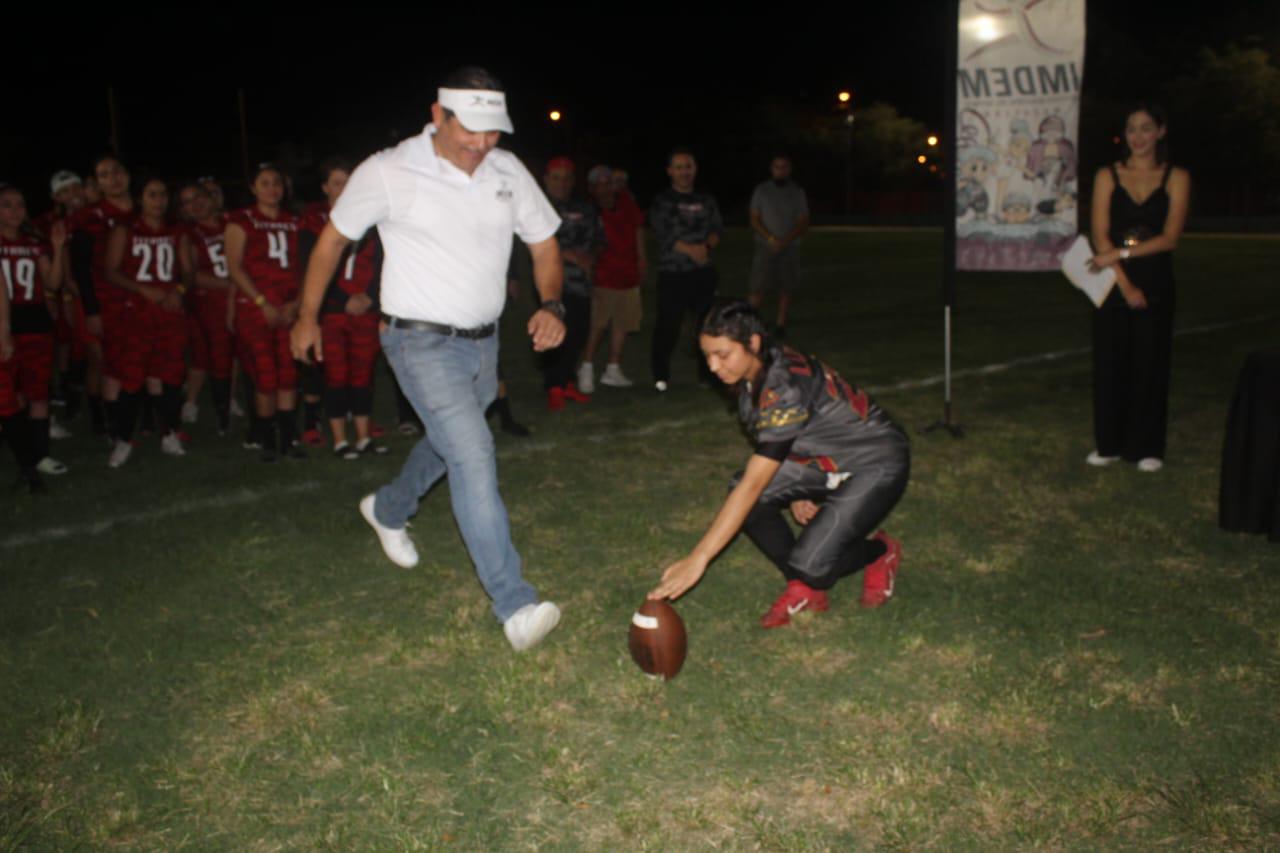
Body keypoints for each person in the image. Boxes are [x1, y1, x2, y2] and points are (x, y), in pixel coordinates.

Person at [291, 66, 567, 652]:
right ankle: (514, 605)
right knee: (472, 450)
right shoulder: (390, 170)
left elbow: (543, 244)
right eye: (471, 132)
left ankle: (389, 508)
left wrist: (552, 304)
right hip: (417, 341)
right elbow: (333, 241)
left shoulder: (506, 171)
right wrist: (307, 317)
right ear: (438, 116)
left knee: (450, 442)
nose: (482, 145)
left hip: (484, 341)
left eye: (493, 133)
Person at [649, 301, 909, 628]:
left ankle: (880, 551)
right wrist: (801, 488)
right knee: (752, 504)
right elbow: (800, 430)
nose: (713, 366)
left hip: (875, 461)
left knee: (812, 562)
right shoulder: (764, 364)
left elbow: (755, 482)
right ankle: (806, 588)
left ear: (753, 343)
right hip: (828, 457)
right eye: (707, 355)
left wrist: (699, 557)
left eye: (723, 354)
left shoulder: (782, 387)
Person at [1087, 104, 1190, 473]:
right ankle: (1109, 444)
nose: (1138, 136)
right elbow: (1099, 235)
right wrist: (1125, 282)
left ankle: (1148, 446)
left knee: (1151, 362)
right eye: (1132, 129)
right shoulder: (1107, 175)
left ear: (1161, 131)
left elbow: (1169, 238)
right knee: (1111, 362)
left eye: (1146, 128)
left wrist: (1122, 252)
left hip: (1156, 279)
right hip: (1113, 279)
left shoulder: (1175, 177)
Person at [298, 159, 387, 458]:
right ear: (325, 187)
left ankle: (363, 436)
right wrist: (340, 299)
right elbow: (311, 266)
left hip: (365, 309)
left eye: (348, 182)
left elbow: (382, 263)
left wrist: (370, 298)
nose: (343, 189)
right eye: (336, 183)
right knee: (336, 374)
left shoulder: (372, 221)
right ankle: (339, 439)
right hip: (333, 312)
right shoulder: (312, 222)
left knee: (363, 373)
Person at [102, 177, 189, 465]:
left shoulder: (177, 230)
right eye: (152, 194)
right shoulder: (126, 229)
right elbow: (111, 271)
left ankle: (169, 433)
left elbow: (188, 271)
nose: (159, 200)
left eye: (163, 194)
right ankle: (124, 439)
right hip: (137, 313)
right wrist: (142, 289)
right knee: (132, 378)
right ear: (141, 198)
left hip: (169, 312)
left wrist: (179, 290)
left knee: (170, 377)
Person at [225, 163, 304, 462]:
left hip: (287, 308)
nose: (272, 189)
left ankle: (287, 439)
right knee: (265, 376)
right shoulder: (241, 221)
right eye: (265, 183)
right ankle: (267, 439)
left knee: (287, 373)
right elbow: (234, 267)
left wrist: (295, 304)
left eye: (277, 183)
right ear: (253, 188)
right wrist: (262, 303)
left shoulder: (293, 222)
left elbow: (302, 266)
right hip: (256, 309)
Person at [0, 185, 68, 476]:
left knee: (37, 392)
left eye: (20, 204)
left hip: (35, 322)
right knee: (9, 395)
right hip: (5, 323)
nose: (15, 210)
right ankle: (23, 453)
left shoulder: (34, 242)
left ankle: (40, 456)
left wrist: (59, 247)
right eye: (7, 205)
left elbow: (52, 283)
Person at [649, 147, 722, 392]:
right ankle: (660, 376)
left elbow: (717, 229)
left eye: (688, 167)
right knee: (668, 325)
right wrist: (693, 250)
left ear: (695, 169)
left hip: (702, 273)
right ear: (670, 171)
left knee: (706, 325)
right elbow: (663, 232)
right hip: (674, 273)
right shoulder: (662, 201)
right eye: (679, 167)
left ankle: (707, 375)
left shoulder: (706, 199)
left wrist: (707, 245)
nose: (684, 172)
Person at [578, 163, 645, 391]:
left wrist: (642, 258)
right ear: (592, 188)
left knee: (622, 323)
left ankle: (612, 369)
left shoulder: (626, 201)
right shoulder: (589, 210)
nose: (606, 188)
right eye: (601, 184)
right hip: (605, 275)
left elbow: (637, 229)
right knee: (599, 324)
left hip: (628, 272)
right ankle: (586, 367)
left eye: (609, 183)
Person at [541, 156, 600, 410]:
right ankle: (554, 385)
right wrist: (568, 255)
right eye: (556, 178)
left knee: (579, 331)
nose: (562, 183)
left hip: (581, 281)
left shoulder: (584, 207)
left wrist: (590, 259)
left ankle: (567, 381)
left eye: (566, 179)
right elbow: (537, 242)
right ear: (546, 179)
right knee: (554, 332)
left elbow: (598, 238)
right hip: (552, 280)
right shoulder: (539, 205)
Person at [178, 181, 234, 436]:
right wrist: (232, 284)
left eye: (198, 197)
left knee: (241, 355)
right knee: (212, 357)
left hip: (236, 299)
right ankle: (220, 414)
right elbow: (192, 274)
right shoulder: (188, 234)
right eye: (188, 202)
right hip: (208, 303)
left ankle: (229, 401)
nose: (196, 204)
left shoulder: (231, 223)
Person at [747, 155, 809, 339]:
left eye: (784, 167)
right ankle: (748, 322)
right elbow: (754, 218)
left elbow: (803, 221)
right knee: (758, 286)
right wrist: (771, 239)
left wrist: (785, 241)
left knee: (786, 287)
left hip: (789, 248)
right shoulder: (762, 190)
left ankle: (780, 324)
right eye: (777, 166)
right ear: (771, 169)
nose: (780, 170)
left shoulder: (797, 192)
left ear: (789, 170)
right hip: (765, 247)